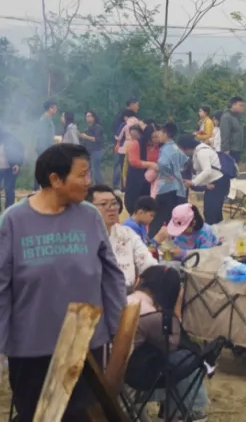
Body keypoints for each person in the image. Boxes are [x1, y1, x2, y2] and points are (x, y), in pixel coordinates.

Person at [0, 143, 126, 421]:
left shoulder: (90, 216)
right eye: (82, 174)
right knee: (37, 415)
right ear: (55, 179)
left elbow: (112, 275)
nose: (89, 181)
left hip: (86, 348)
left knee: (84, 415)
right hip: (31, 349)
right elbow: (2, 288)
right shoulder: (14, 221)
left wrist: (117, 330)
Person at [128, 265, 210, 420]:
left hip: (113, 366)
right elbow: (171, 344)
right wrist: (177, 310)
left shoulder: (127, 299)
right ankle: (189, 411)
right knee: (184, 359)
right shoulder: (154, 315)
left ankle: (176, 410)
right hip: (128, 378)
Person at [89, 185, 157, 289]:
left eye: (114, 203)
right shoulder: (82, 238)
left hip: (127, 292)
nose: (112, 208)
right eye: (104, 204)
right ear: (89, 209)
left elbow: (148, 263)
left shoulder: (127, 234)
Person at [177, 134, 229, 229]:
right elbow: (200, 173)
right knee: (212, 212)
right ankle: (217, 232)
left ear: (186, 147)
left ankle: (212, 233)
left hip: (218, 183)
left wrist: (193, 182)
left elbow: (207, 171)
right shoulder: (198, 152)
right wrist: (200, 184)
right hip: (213, 182)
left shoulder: (202, 152)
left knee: (211, 212)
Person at [154, 122, 188, 236]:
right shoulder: (175, 147)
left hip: (166, 186)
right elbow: (185, 160)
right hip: (178, 186)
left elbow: (162, 163)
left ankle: (152, 239)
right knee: (174, 216)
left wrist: (167, 173)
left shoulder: (165, 149)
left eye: (160, 133)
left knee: (158, 217)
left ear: (165, 134)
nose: (159, 135)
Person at [154, 203, 221, 260]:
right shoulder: (179, 233)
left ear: (193, 223)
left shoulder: (205, 233)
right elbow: (176, 246)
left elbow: (204, 257)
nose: (180, 232)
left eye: (182, 229)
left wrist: (182, 254)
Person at [112, 98, 140, 187]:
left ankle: (124, 186)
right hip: (123, 145)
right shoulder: (123, 116)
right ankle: (119, 186)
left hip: (125, 145)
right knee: (122, 166)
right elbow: (117, 131)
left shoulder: (129, 116)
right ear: (132, 105)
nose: (138, 107)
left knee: (124, 166)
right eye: (137, 105)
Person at [34, 100, 58, 189]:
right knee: (42, 168)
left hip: (48, 147)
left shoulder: (49, 119)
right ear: (50, 108)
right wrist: (46, 149)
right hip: (44, 148)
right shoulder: (44, 120)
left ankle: (44, 187)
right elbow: (42, 136)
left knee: (47, 168)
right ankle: (36, 188)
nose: (56, 109)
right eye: (54, 107)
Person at [0, 124, 24, 210]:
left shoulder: (10, 139)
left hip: (10, 168)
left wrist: (17, 164)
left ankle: (9, 210)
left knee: (9, 190)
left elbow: (19, 151)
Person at [80, 111, 105, 184]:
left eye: (89, 116)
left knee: (95, 169)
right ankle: (93, 186)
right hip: (89, 151)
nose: (87, 118)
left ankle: (100, 186)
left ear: (93, 117)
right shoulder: (87, 129)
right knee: (90, 170)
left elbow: (96, 139)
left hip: (97, 150)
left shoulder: (98, 128)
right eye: (86, 116)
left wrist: (86, 136)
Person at [219, 96, 245, 161]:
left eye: (243, 106)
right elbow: (225, 134)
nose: (242, 107)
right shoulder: (227, 117)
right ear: (233, 105)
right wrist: (225, 149)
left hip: (237, 149)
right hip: (230, 151)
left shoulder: (237, 117)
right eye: (240, 105)